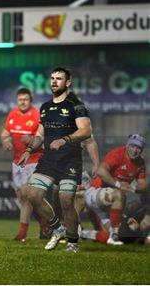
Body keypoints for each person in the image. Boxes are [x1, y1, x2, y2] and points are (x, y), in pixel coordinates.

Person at [19, 67, 93, 252]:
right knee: (32, 195)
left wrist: (65, 139)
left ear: (67, 83)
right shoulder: (45, 107)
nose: (54, 81)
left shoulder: (76, 105)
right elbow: (40, 134)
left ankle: (72, 242)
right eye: (52, 78)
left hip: (70, 160)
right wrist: (29, 150)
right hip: (49, 159)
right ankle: (57, 228)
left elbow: (86, 130)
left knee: (66, 200)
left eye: (59, 79)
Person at [1, 88, 48, 241]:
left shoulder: (37, 115)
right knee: (22, 197)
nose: (22, 102)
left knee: (27, 195)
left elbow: (43, 139)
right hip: (17, 162)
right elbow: (5, 132)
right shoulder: (13, 114)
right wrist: (6, 141)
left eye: (25, 99)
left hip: (34, 161)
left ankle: (23, 233)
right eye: (20, 99)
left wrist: (32, 141)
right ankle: (44, 224)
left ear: (31, 100)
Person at [84, 134, 147, 244]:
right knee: (119, 194)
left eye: (138, 148)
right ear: (127, 146)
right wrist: (118, 184)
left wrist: (133, 187)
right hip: (96, 192)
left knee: (126, 235)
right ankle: (114, 234)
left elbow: (143, 185)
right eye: (132, 146)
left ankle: (81, 233)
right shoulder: (118, 154)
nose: (135, 150)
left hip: (111, 205)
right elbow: (100, 171)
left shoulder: (140, 163)